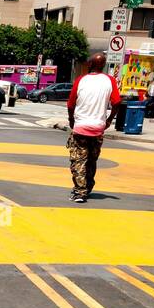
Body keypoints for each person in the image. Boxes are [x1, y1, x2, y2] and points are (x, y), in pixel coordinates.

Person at [65, 53, 120, 204]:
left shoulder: (81, 80)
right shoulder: (110, 81)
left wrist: (71, 119)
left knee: (79, 160)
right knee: (91, 159)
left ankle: (80, 192)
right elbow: (117, 102)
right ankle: (88, 186)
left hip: (81, 126)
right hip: (98, 128)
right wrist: (109, 119)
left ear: (90, 64)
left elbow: (70, 104)